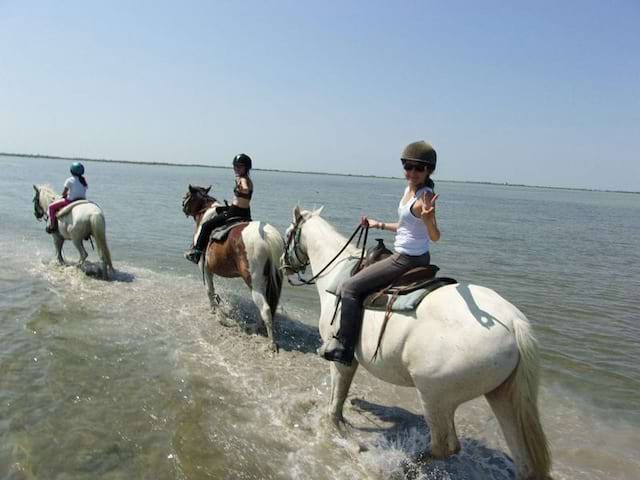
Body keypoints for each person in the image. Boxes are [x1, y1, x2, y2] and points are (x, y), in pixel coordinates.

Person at [319, 141, 441, 365]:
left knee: (349, 287)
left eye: (418, 168)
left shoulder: (424, 199)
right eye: (407, 166)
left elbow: (434, 236)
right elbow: (406, 226)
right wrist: (379, 225)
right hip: (409, 253)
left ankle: (343, 348)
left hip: (406, 259)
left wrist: (428, 218)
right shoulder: (409, 190)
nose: (411, 172)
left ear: (429, 170)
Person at [184, 153, 254, 264]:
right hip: (246, 212)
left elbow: (244, 188)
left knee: (207, 225)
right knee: (217, 210)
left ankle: (196, 253)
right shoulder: (248, 179)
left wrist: (242, 189)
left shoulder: (242, 179)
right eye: (235, 166)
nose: (236, 168)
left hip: (235, 212)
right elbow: (242, 198)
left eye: (239, 166)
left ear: (246, 168)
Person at [46, 162, 88, 233]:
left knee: (51, 207)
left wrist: (64, 195)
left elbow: (64, 193)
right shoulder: (84, 181)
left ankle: (52, 225)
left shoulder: (69, 180)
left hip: (71, 201)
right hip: (83, 200)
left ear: (71, 171)